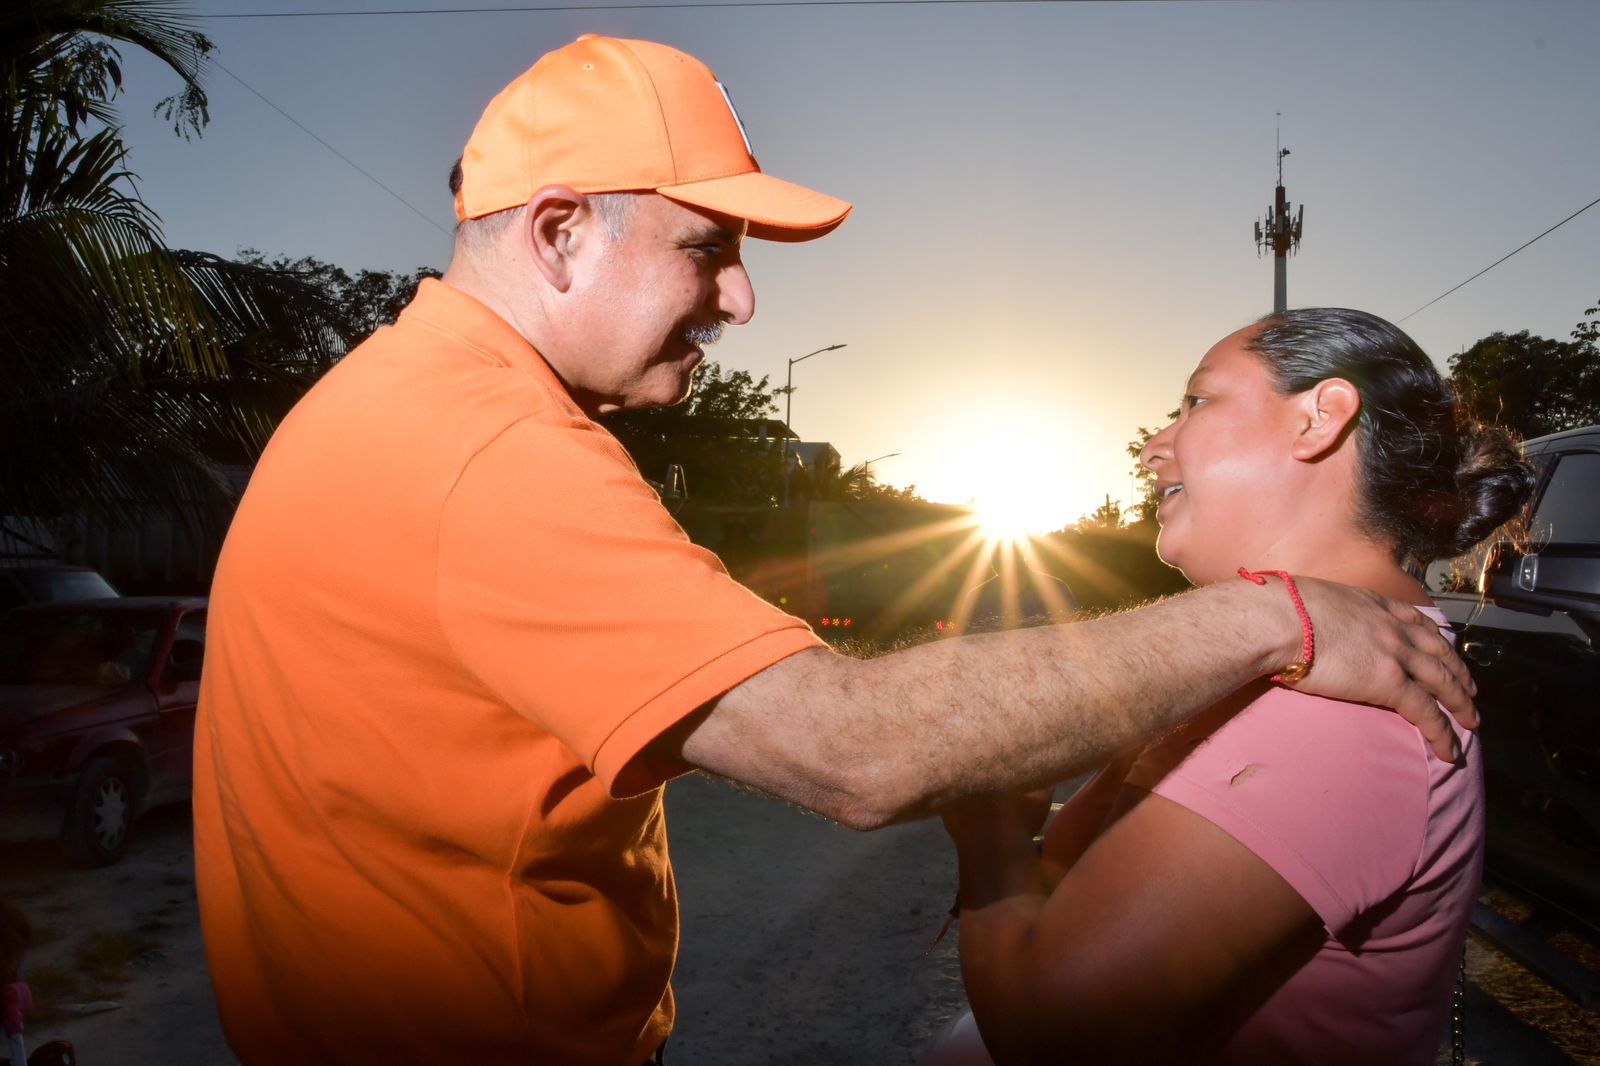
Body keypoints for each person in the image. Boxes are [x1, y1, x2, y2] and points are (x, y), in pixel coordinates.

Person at [192, 35, 1478, 1066]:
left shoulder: (401, 399)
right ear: (561, 230)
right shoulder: (483, 447)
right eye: (708, 247)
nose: (741, 298)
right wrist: (1273, 616)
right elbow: (854, 749)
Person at [928, 308, 1535, 1066]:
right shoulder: (1296, 663)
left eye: (1197, 403)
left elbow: (1045, 1032)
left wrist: (984, 820)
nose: (1152, 450)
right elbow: (1091, 873)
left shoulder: (1340, 708)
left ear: (1320, 418)